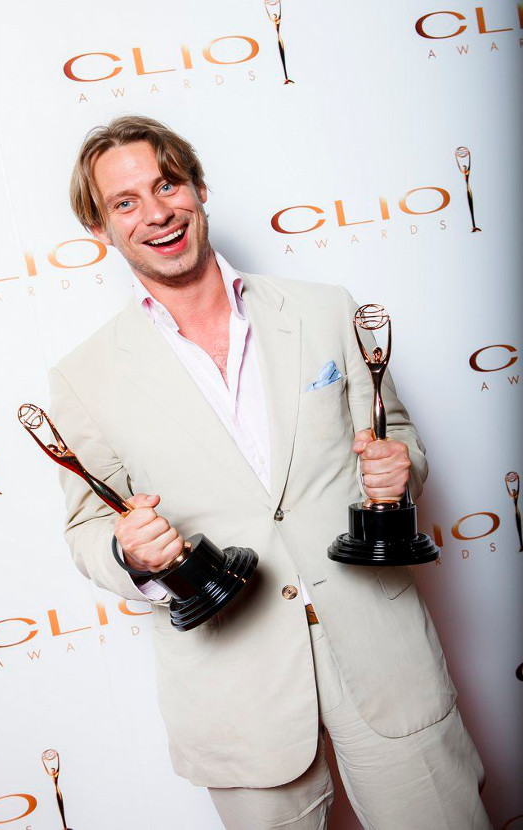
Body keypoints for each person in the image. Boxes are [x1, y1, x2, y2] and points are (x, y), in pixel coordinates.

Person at [49, 115, 491, 829]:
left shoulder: (324, 310)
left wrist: (400, 468)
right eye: (125, 202)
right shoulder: (84, 376)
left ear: (198, 189)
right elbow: (87, 529)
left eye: (168, 185)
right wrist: (129, 552)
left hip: (384, 657)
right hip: (234, 692)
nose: (157, 213)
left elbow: (398, 440)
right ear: (99, 227)